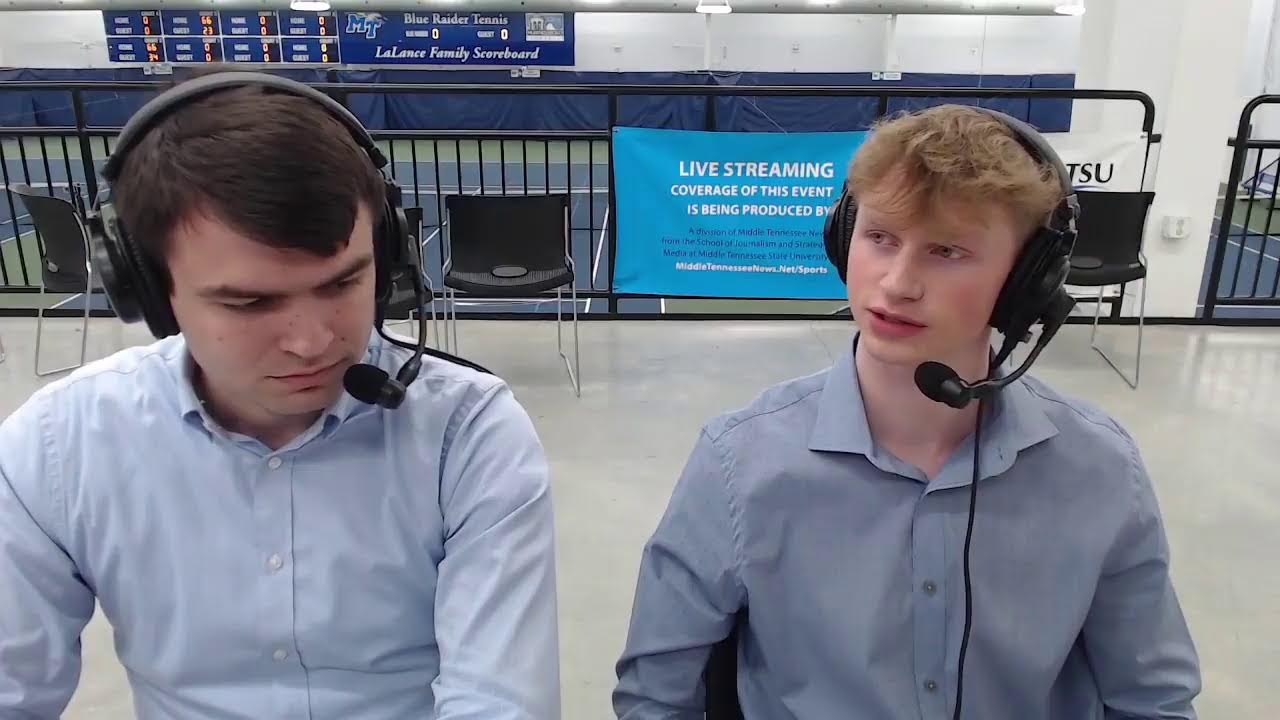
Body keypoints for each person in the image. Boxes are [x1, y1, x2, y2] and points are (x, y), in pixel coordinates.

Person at [0, 72, 560, 719]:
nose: (312, 341)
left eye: (343, 283)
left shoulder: (470, 436)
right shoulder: (56, 449)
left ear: (387, 259)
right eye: (251, 302)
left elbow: (498, 703)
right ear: (151, 292)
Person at [613, 105, 1201, 719]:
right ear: (843, 237)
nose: (896, 282)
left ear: (1026, 280)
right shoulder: (739, 461)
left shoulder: (1099, 469)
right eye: (880, 238)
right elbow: (655, 698)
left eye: (947, 251)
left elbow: (1152, 701)